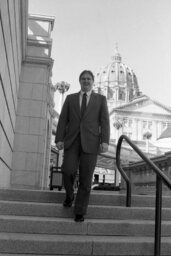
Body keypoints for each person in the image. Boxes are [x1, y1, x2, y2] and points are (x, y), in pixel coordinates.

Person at [55, 70, 110, 222]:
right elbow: (63, 119)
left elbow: (105, 121)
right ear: (80, 81)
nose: (86, 81)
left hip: (91, 143)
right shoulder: (70, 98)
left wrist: (105, 141)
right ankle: (69, 195)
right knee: (67, 170)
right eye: (83, 79)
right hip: (72, 141)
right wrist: (59, 138)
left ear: (93, 81)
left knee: (86, 179)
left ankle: (79, 211)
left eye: (89, 79)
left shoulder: (101, 99)